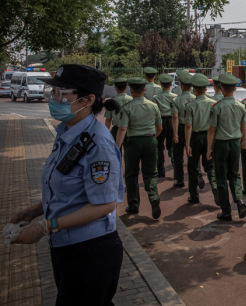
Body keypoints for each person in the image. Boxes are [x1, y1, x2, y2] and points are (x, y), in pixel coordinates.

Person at [10, 64, 124, 305]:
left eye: (62, 93)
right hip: (66, 246)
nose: (54, 98)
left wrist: (45, 226)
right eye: (54, 93)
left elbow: (104, 205)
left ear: (87, 100)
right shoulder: (68, 132)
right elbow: (66, 189)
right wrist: (33, 211)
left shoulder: (98, 144)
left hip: (90, 251)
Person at [115, 77, 163, 219]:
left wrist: (117, 147)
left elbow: (122, 129)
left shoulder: (127, 107)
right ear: (144, 90)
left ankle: (133, 204)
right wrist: (153, 136)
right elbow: (160, 127)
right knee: (150, 173)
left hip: (133, 142)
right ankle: (153, 196)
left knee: (131, 174)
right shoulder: (153, 106)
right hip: (150, 139)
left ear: (131, 90)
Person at [206, 74, 246, 221]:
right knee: (235, 174)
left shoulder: (217, 107)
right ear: (235, 88)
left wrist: (209, 148)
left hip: (221, 144)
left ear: (222, 89)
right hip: (235, 143)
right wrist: (244, 141)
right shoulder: (241, 106)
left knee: (221, 177)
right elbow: (244, 126)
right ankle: (239, 200)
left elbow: (212, 129)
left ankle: (226, 210)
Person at [184, 73, 218, 204]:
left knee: (193, 166)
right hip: (210, 136)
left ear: (194, 90)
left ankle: (194, 195)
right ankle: (214, 186)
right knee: (210, 165)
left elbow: (188, 126)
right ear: (205, 89)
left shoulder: (190, 105)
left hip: (195, 136)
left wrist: (187, 144)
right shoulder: (214, 103)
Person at [172, 70, 195, 187]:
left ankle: (180, 179)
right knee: (193, 154)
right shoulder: (195, 98)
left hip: (181, 127)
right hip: (194, 128)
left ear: (181, 86)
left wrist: (175, 133)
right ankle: (196, 175)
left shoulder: (177, 100)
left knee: (178, 155)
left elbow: (175, 117)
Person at [154, 73, 177, 178]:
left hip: (161, 120)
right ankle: (175, 167)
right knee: (172, 146)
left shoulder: (156, 97)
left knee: (159, 146)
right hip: (172, 120)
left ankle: (161, 170)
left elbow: (155, 112)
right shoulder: (175, 97)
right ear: (171, 84)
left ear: (161, 85)